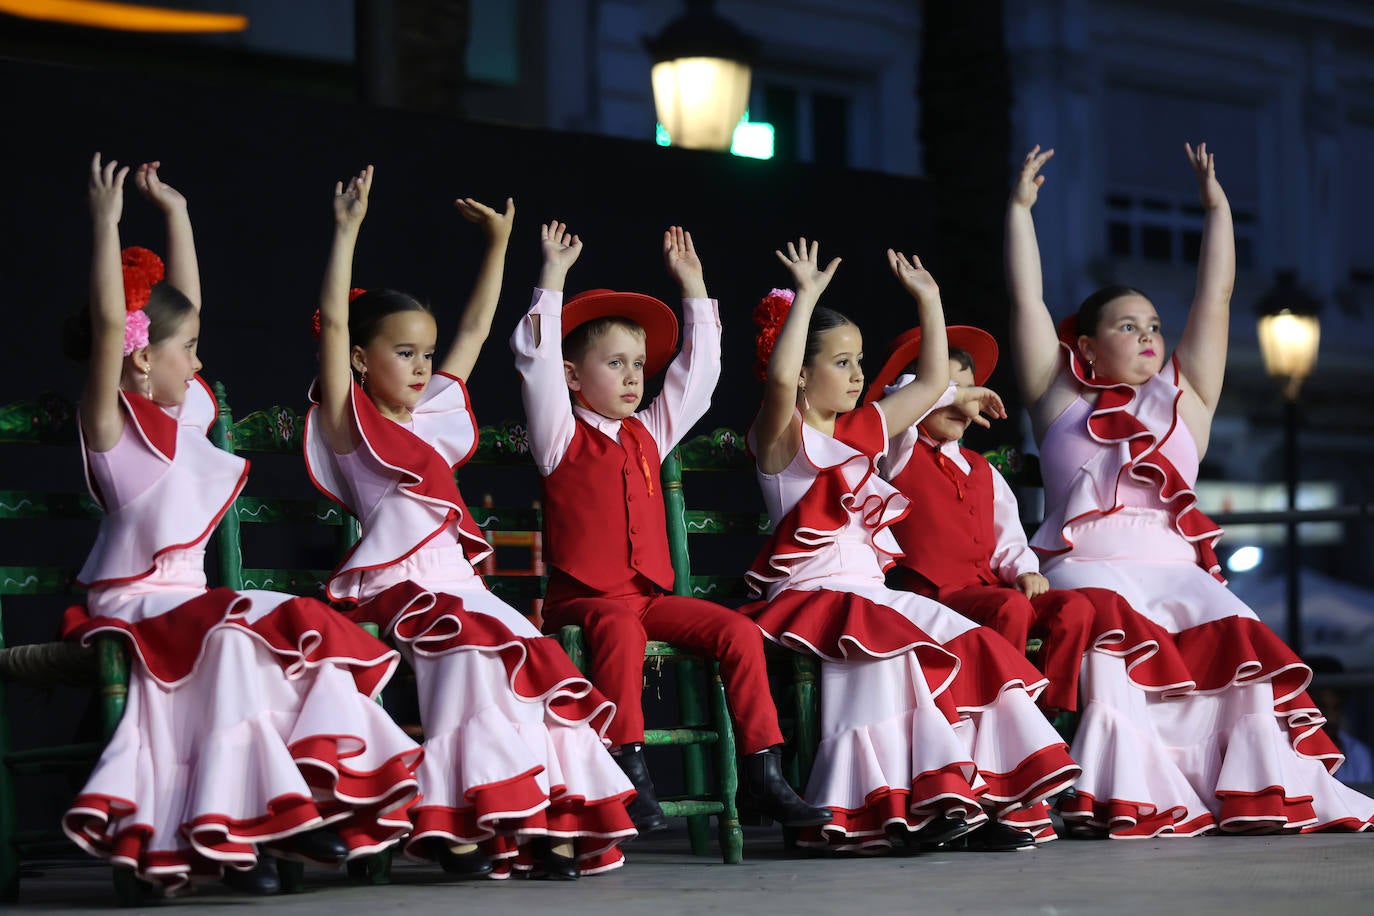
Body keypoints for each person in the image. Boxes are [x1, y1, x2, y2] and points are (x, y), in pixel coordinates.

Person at [61, 155, 422, 896]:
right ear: (137, 361)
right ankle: (235, 832)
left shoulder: (186, 407)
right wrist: (106, 223)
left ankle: (304, 804)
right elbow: (110, 325)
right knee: (230, 637)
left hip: (192, 603)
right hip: (134, 604)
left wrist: (177, 212)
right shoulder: (112, 431)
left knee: (295, 624)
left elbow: (185, 305)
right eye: (185, 350)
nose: (201, 358)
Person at [1006, 141, 1374, 835]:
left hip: (1176, 566)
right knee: (1111, 624)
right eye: (1126, 326)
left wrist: (1217, 210)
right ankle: (1127, 792)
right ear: (1084, 347)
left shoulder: (1187, 397)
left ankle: (1249, 792)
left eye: (1153, 327)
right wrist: (1021, 212)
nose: (1147, 337)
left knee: (1234, 625)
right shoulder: (1058, 399)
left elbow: (1218, 294)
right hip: (1087, 565)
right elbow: (1026, 297)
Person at [303, 168, 635, 880]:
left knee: (526, 657)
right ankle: (466, 820)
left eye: (426, 353)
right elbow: (334, 319)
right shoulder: (346, 421)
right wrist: (347, 231)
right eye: (403, 352)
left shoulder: (435, 414)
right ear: (360, 359)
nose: (423, 366)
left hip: (460, 585)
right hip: (400, 586)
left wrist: (500, 243)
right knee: (474, 650)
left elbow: (478, 327)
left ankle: (544, 818)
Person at [741, 239, 1080, 853]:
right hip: (815, 595)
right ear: (806, 371)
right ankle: (873, 809)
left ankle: (972, 801)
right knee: (882, 646)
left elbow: (927, 384)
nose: (858, 375)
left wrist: (930, 300)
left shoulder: (862, 430)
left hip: (871, 594)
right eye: (841, 362)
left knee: (971, 644)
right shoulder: (779, 438)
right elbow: (781, 378)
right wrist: (806, 299)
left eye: (860, 361)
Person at [509, 220, 829, 834]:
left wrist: (695, 286)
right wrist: (551, 277)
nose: (634, 376)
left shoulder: (647, 434)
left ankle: (764, 772)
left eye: (639, 365)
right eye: (615, 364)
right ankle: (627, 767)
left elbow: (698, 381)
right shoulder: (560, 434)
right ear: (574, 377)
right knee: (617, 626)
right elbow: (536, 359)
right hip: (584, 601)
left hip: (647, 597)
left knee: (737, 631)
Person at [869, 325, 1191, 714]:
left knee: (1074, 609)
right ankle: (1002, 707)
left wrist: (1023, 571)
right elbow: (903, 402)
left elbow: (1008, 539)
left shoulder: (981, 470)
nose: (967, 406)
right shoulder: (898, 452)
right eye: (957, 392)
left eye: (974, 392)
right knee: (1011, 608)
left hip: (986, 590)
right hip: (932, 596)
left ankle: (1050, 713)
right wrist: (954, 392)